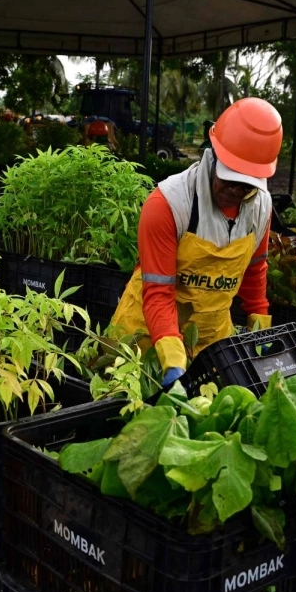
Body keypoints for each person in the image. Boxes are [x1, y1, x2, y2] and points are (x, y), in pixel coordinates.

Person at [110, 97, 277, 389]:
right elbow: (159, 291)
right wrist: (173, 362)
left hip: (211, 342)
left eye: (247, 185)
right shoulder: (169, 203)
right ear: (213, 157)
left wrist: (259, 335)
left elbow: (254, 272)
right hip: (145, 340)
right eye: (229, 180)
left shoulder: (260, 207)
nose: (236, 191)